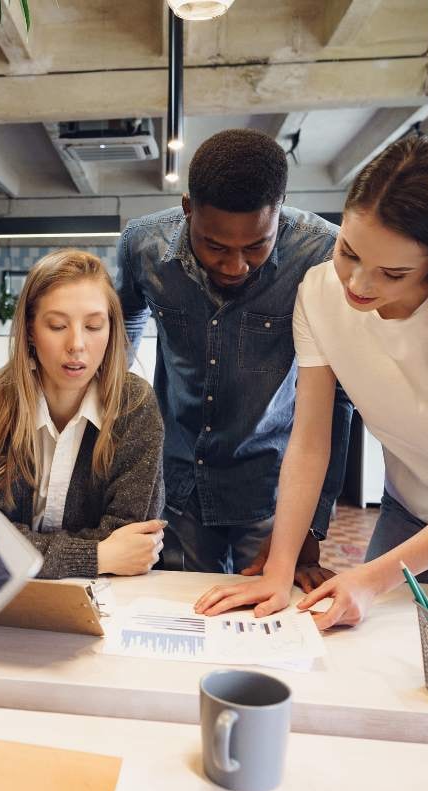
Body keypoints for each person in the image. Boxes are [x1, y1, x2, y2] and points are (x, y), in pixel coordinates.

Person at [195, 137, 428, 629]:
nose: (358, 285)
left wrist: (370, 580)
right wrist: (277, 569)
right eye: (348, 252)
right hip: (409, 505)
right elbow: (309, 444)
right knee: (378, 663)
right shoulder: (319, 294)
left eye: (392, 272)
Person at [117, 129, 353, 582]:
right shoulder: (142, 245)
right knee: (185, 613)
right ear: (188, 209)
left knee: (265, 617)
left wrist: (313, 521)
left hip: (274, 487)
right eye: (216, 246)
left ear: (279, 211)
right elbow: (123, 321)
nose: (235, 266)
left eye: (256, 247)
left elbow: (338, 396)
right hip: (179, 477)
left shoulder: (322, 253)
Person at [0, 249, 166, 579]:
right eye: (58, 325)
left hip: (106, 596)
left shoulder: (135, 406)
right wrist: (96, 555)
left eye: (93, 326)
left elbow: (132, 542)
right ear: (31, 331)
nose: (77, 344)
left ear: (112, 330)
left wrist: (15, 549)